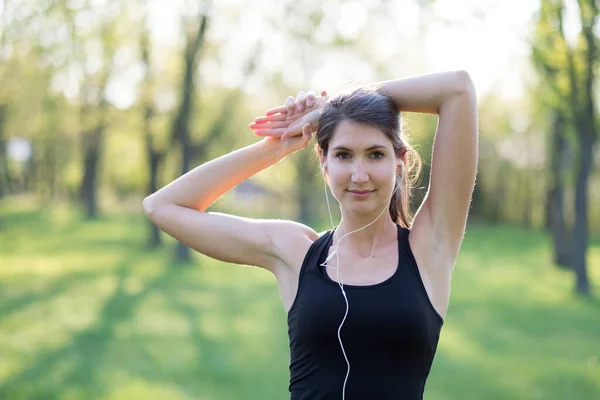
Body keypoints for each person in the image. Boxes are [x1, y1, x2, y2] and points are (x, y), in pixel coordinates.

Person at [143, 70, 478, 400]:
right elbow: (162, 207)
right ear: (324, 162)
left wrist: (335, 103)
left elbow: (457, 89)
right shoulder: (296, 253)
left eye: (375, 154)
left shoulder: (428, 247)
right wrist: (275, 148)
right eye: (344, 155)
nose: (359, 175)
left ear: (399, 162)